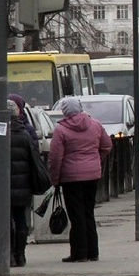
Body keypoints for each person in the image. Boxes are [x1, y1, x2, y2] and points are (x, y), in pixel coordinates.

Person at [48, 96, 113, 263]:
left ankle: (79, 253)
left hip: (71, 178)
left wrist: (55, 179)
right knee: (88, 212)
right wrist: (96, 159)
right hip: (92, 175)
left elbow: (55, 157)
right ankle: (93, 252)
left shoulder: (61, 130)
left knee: (76, 215)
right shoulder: (95, 125)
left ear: (65, 111)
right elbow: (107, 146)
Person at [0, 100, 36, 267]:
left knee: (3, 220)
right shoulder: (24, 134)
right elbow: (33, 158)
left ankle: (8, 254)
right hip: (21, 186)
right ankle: (20, 255)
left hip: (0, 187)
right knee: (21, 219)